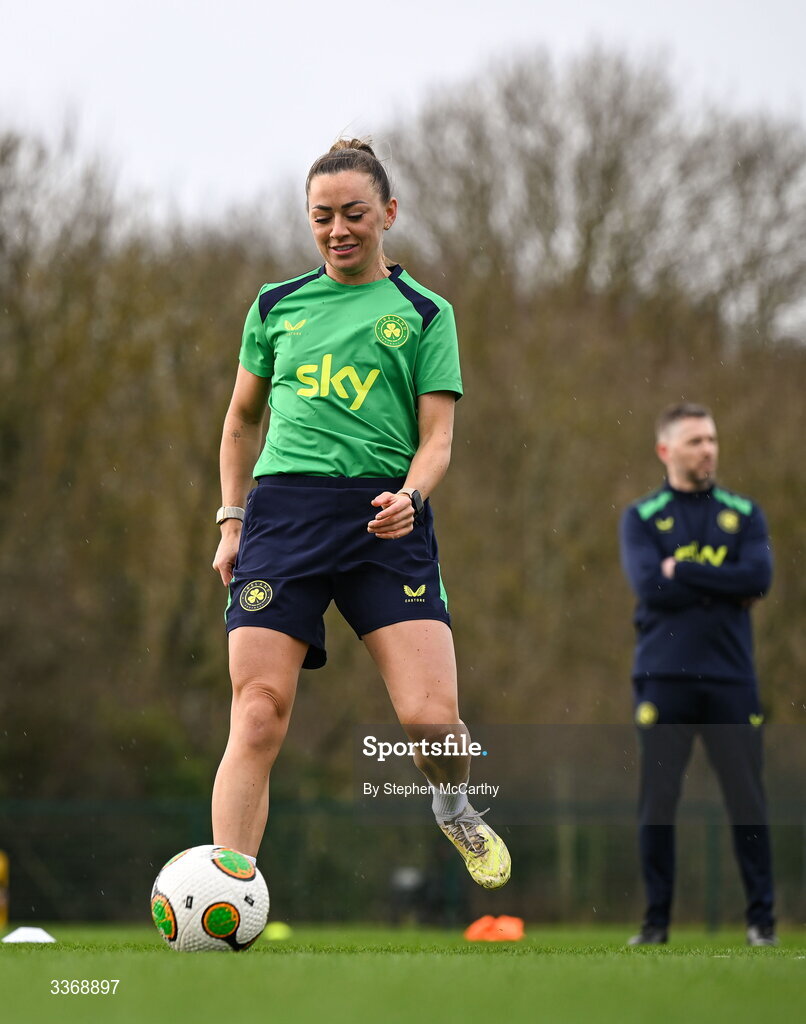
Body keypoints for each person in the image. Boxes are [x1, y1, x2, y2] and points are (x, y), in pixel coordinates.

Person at [209, 138, 510, 891]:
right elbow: (241, 421)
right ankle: (229, 892)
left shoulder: (424, 313)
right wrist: (230, 518)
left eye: (353, 214)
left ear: (388, 213)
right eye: (322, 217)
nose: (338, 229)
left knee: (432, 723)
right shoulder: (276, 306)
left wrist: (411, 498)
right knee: (258, 713)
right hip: (283, 518)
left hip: (386, 516)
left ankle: (452, 803)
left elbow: (437, 437)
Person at [619, 402, 777, 946]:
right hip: (663, 678)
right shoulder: (641, 518)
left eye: (711, 439)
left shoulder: (745, 513)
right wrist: (723, 583)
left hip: (732, 679)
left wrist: (682, 570)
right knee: (658, 803)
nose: (707, 449)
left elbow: (759, 576)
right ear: (666, 450)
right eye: (694, 441)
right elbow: (650, 586)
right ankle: (656, 924)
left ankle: (761, 923)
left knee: (747, 801)